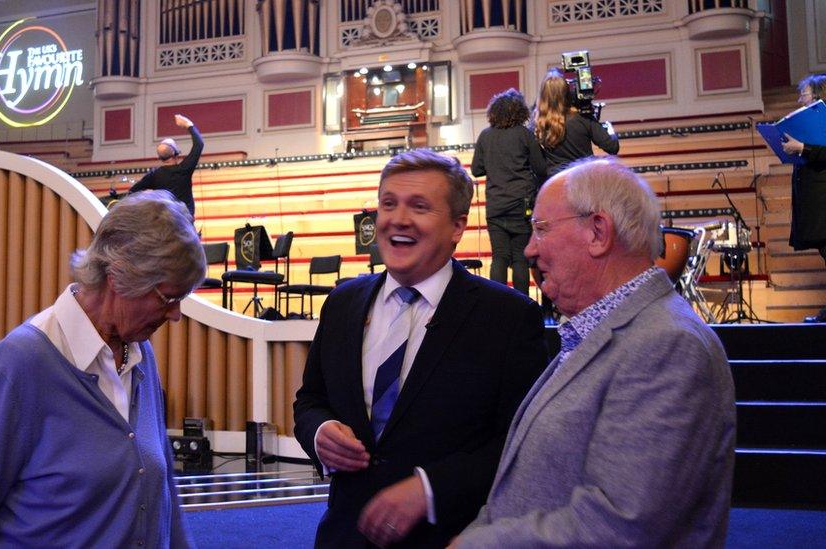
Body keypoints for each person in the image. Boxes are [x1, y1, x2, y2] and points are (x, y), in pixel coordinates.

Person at [450, 158, 736, 548]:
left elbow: (621, 526)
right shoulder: (597, 331)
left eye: (541, 230)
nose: (530, 249)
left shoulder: (667, 345)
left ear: (598, 232)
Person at [293, 149, 548, 548]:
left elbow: (522, 444)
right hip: (344, 536)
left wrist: (431, 489)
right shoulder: (343, 302)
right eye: (388, 204)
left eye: (420, 206)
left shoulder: (510, 318)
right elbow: (310, 400)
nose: (398, 219)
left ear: (458, 225)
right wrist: (320, 433)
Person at [0, 190, 202, 548]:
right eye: (169, 298)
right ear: (119, 277)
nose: (176, 314)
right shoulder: (19, 365)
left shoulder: (139, 354)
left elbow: (163, 499)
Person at [531, 68, 620, 323]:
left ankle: (550, 307)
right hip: (583, 196)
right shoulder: (581, 121)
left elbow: (537, 167)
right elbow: (612, 147)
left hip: (551, 199)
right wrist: (607, 127)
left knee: (550, 254)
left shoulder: (537, 128)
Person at [471, 89, 547, 294]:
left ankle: (498, 307)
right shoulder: (525, 134)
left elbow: (476, 170)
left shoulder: (485, 136)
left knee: (499, 257)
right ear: (520, 112)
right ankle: (520, 308)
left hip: (495, 207)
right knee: (520, 259)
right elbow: (540, 168)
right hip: (520, 205)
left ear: (493, 112)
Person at [781, 73, 826, 323]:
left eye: (804, 95)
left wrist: (803, 148)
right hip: (814, 199)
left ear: (818, 95)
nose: (800, 100)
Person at [532, 68, 619, 175]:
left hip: (554, 183)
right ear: (567, 92)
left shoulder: (537, 123)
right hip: (583, 179)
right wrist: (609, 128)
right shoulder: (582, 117)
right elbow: (612, 147)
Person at [130, 114, 204, 216]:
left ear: (160, 158)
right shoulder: (184, 169)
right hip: (184, 222)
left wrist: (148, 195)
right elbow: (199, 144)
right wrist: (188, 124)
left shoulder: (154, 175)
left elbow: (132, 192)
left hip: (164, 223)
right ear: (176, 153)